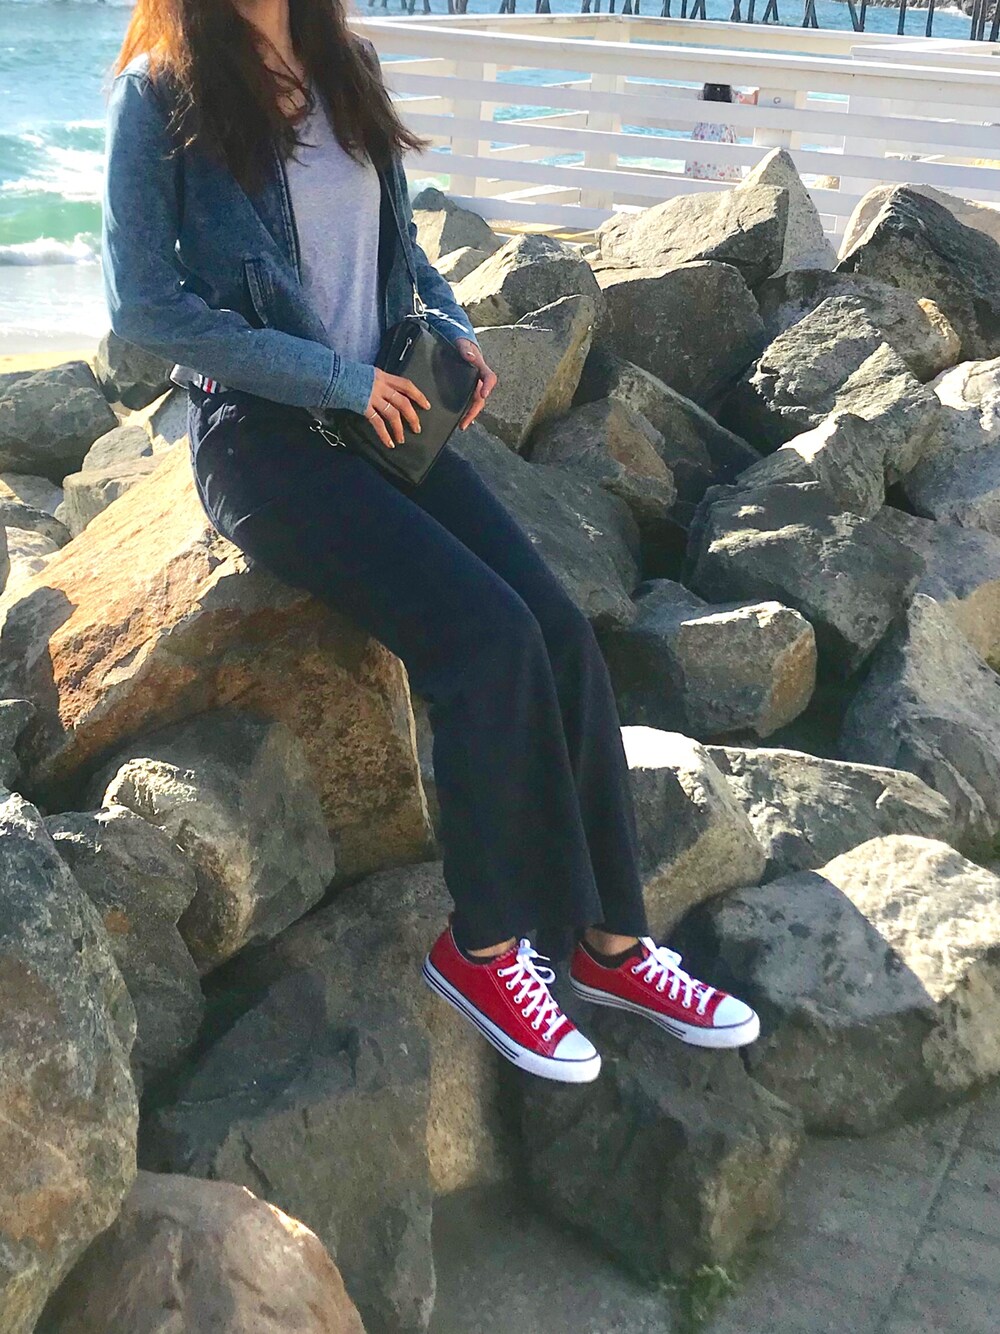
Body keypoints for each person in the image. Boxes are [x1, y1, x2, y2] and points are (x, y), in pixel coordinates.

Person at [102, 0, 760, 1086]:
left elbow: (398, 250)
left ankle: (610, 945)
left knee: (557, 629)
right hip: (264, 441)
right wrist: (336, 378)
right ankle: (484, 948)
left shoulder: (341, 61)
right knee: (486, 639)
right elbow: (147, 309)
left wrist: (450, 328)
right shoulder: (162, 91)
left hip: (388, 419)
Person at [684, 82, 757, 184]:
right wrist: (755, 92)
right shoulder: (733, 95)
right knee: (723, 169)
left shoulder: (702, 95)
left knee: (702, 170)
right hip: (724, 135)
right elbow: (752, 104)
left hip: (703, 135)